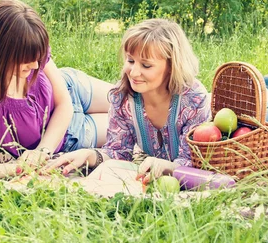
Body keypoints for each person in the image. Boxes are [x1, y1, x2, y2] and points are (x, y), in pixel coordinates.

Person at [0, 0, 113, 179]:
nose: (35, 65)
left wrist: (43, 150)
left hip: (73, 89)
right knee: (133, 124)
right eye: (26, 60)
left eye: (39, 58)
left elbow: (64, 103)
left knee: (136, 98)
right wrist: (18, 168)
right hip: (73, 134)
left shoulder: (31, 54)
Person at [47, 18, 211, 183]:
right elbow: (118, 152)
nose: (133, 73)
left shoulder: (193, 99)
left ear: (172, 67)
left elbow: (194, 163)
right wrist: (90, 155)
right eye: (131, 61)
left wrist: (167, 167)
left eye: (146, 66)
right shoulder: (123, 97)